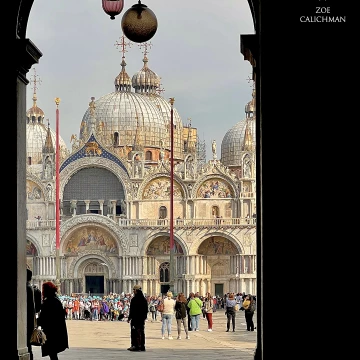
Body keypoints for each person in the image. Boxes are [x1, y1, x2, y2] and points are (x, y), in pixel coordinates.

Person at [37, 281, 69, 360]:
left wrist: (36, 322)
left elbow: (45, 317)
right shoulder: (56, 300)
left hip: (51, 332)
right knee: (53, 353)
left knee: (52, 353)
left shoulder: (49, 302)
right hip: (57, 331)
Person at [26, 265, 42, 360]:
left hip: (25, 319)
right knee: (28, 343)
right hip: (31, 319)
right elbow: (38, 308)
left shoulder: (25, 288)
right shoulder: (35, 289)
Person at [127, 284, 148, 351]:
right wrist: (144, 317)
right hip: (141, 319)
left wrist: (129, 318)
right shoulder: (144, 300)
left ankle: (135, 345)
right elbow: (146, 310)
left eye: (134, 290)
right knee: (141, 332)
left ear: (136, 291)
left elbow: (132, 310)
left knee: (135, 332)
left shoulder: (134, 299)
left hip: (135, 319)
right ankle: (142, 346)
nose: (133, 291)